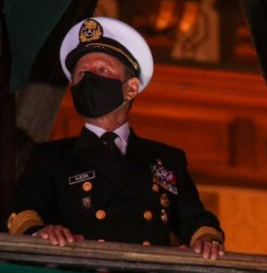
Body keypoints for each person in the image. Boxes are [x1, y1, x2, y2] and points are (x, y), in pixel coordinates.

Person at [7, 17, 225, 260]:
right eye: (82, 73)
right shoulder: (51, 157)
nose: (89, 79)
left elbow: (194, 219)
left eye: (101, 70)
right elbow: (24, 212)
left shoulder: (166, 159)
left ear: (131, 88)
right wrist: (42, 233)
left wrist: (207, 239)